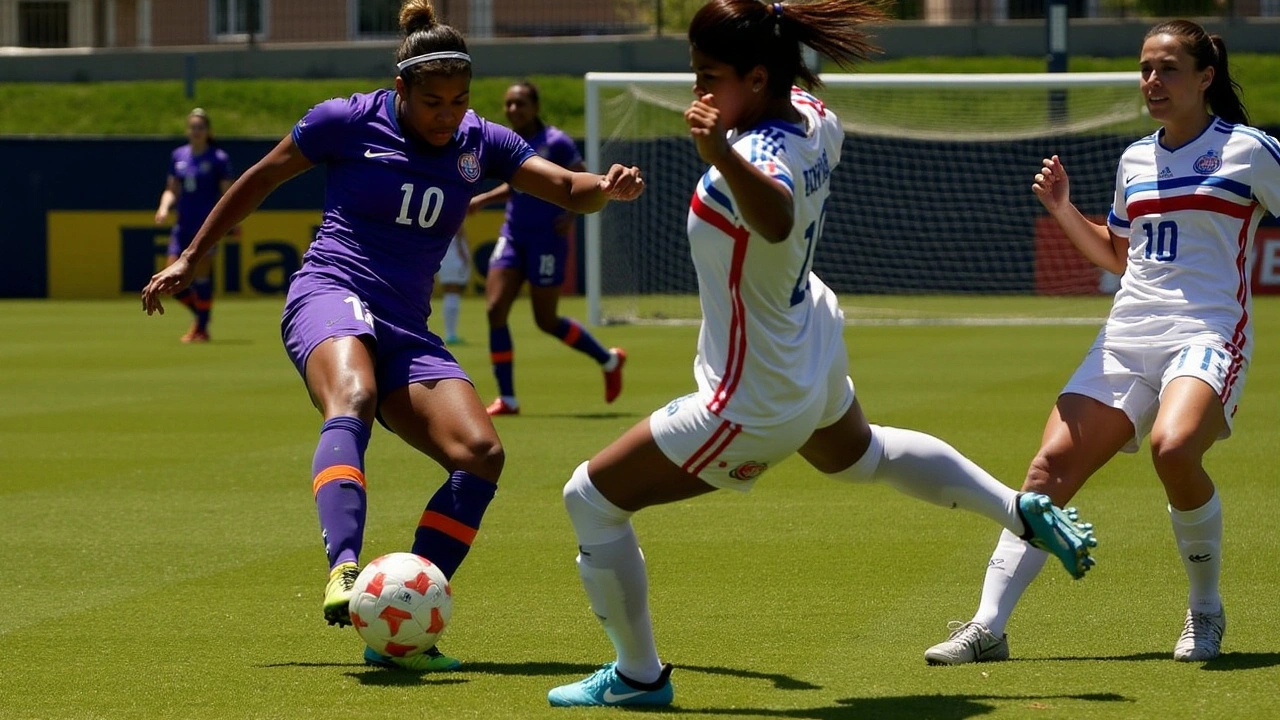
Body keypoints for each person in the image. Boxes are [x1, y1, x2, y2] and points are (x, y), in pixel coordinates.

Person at [545, 0, 1097, 708]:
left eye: (708, 76)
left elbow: (772, 217)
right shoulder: (813, 115)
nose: (697, 94)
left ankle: (638, 678)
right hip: (808, 338)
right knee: (863, 456)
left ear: (754, 75)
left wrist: (718, 155)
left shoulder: (746, 159)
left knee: (588, 499)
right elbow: (788, 121)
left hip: (753, 394)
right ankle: (1016, 509)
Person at [141, 0, 644, 673]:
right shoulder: (345, 120)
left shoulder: (478, 141)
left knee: (481, 453)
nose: (448, 115)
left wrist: (604, 189)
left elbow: (564, 186)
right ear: (400, 90)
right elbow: (259, 179)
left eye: (460, 100)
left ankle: (396, 619)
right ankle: (345, 570)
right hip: (329, 292)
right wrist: (189, 258)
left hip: (407, 322)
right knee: (352, 394)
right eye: (433, 101)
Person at [924, 19, 1280, 666]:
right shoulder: (1135, 159)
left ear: (1206, 78)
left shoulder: (1250, 150)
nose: (1152, 81)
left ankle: (1205, 612)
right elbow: (1119, 258)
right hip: (1125, 335)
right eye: (1146, 68)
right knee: (1045, 472)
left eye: (1168, 68)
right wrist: (1064, 209)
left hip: (1206, 333)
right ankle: (987, 627)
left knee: (1174, 449)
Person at [468, 81, 624, 416]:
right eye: (509, 104)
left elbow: (584, 182)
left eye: (520, 103)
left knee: (546, 320)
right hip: (513, 235)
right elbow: (519, 188)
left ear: (536, 107)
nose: (513, 110)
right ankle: (507, 399)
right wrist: (483, 199)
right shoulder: (509, 142)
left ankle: (608, 360)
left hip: (547, 240)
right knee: (495, 310)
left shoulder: (557, 143)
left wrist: (570, 215)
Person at [153, 108, 234, 343]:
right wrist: (164, 207)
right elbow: (172, 189)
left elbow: (227, 193)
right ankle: (201, 317)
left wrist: (231, 221)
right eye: (193, 127)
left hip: (205, 229)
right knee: (169, 281)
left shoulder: (218, 158)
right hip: (183, 226)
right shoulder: (179, 155)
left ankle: (201, 327)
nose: (196, 131)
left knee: (200, 277)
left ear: (208, 131)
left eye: (201, 127)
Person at [437, 230, 471, 344]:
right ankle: (451, 334)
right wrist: (463, 252)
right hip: (453, 254)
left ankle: (450, 332)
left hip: (444, 254)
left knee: (450, 291)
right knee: (453, 291)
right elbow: (460, 231)